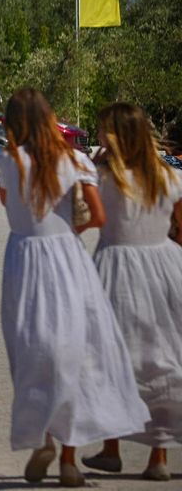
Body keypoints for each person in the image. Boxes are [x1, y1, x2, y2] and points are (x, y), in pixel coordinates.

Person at [0, 88, 149, 487]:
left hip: (23, 260)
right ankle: (68, 459)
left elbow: (8, 204)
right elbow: (97, 215)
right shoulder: (75, 160)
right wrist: (67, 232)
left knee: (32, 351)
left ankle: (43, 434)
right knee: (77, 352)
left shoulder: (7, 160)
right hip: (66, 261)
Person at [80, 102, 182, 482]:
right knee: (163, 360)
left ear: (115, 135)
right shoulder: (169, 177)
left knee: (111, 359)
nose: (98, 136)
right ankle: (158, 457)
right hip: (166, 267)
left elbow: (85, 215)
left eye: (102, 130)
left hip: (115, 269)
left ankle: (112, 449)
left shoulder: (104, 177)